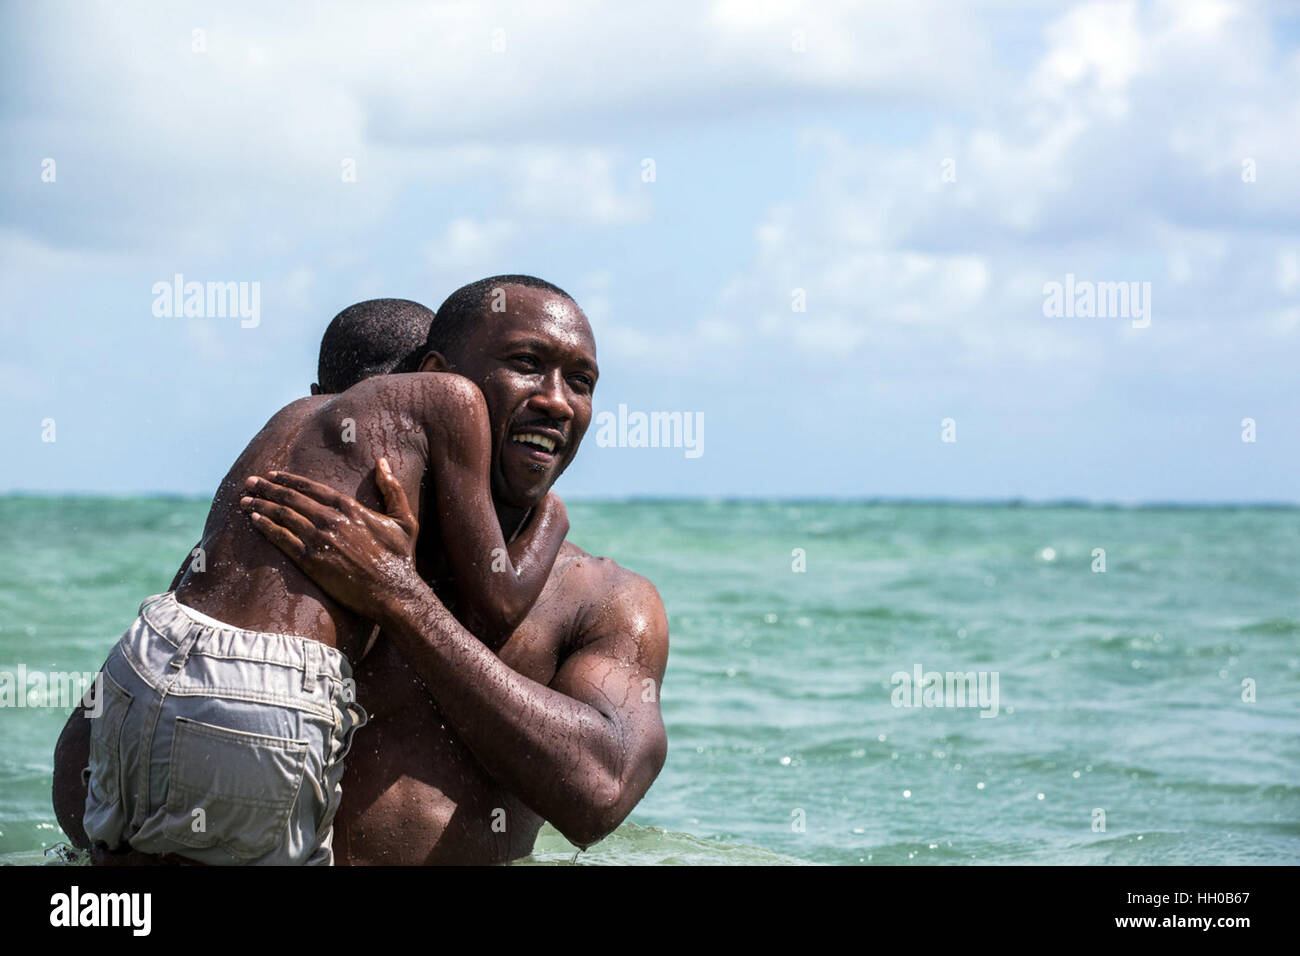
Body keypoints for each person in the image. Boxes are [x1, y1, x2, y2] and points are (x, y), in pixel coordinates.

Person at [53, 275, 670, 864]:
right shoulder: (310, 529)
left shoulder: (605, 600)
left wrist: (399, 599)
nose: (556, 401)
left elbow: (600, 790)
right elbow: (87, 775)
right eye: (526, 365)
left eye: (582, 381)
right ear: (443, 379)